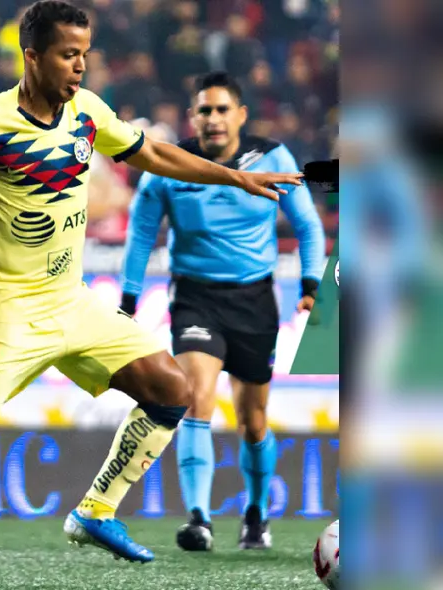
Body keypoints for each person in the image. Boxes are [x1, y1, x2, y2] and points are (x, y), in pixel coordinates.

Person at [0, 2, 304, 587]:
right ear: (32, 56)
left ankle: (95, 510)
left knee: (172, 390)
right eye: (68, 54)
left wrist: (234, 175)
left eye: (85, 54)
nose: (80, 66)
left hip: (70, 300)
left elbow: (153, 153)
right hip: (5, 308)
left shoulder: (86, 112)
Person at [119, 71, 325, 551]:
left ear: (241, 115)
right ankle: (199, 518)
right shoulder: (169, 164)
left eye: (222, 109)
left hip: (255, 301)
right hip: (195, 298)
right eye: (204, 110)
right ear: (192, 117)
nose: (213, 118)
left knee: (254, 421)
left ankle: (256, 513)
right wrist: (128, 300)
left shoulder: (273, 158)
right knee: (195, 398)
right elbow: (141, 231)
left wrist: (311, 284)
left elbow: (308, 225)